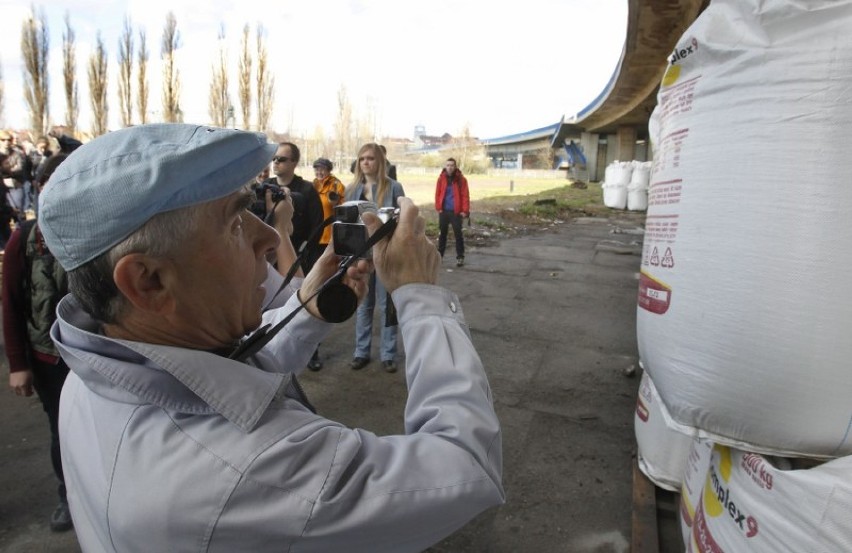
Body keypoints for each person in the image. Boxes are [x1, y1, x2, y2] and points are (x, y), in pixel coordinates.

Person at [37, 123, 503, 552]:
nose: (267, 238)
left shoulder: (91, 376)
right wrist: (420, 297)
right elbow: (465, 465)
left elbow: (213, 387)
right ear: (149, 281)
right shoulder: (250, 473)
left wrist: (306, 310)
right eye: (236, 220)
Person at [2, 153, 73, 533]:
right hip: (49, 361)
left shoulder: (101, 229)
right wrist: (18, 364)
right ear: (42, 186)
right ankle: (69, 496)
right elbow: (11, 303)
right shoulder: (25, 238)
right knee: (61, 431)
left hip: (96, 358)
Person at [345, 142, 406, 373]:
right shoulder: (351, 189)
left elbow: (402, 222)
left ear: (380, 161)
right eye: (362, 159)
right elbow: (347, 224)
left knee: (387, 305)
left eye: (370, 158)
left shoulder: (394, 187)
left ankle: (388, 354)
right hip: (361, 255)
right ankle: (361, 352)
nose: (365, 163)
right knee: (363, 304)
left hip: (386, 254)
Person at [307, 157, 346, 371]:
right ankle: (311, 350)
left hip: (329, 243)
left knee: (324, 292)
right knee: (310, 290)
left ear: (329, 170)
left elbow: (343, 209)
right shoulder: (311, 186)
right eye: (316, 168)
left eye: (322, 169)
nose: (319, 172)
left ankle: (316, 343)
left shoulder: (336, 185)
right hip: (312, 242)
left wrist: (335, 203)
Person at [264, 142, 324, 271]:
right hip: (267, 257)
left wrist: (305, 252)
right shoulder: (265, 187)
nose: (276, 162)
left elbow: (317, 226)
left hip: (297, 258)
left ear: (294, 162)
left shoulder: (307, 190)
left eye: (281, 159)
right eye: (273, 158)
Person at [435, 157, 470, 267]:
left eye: (452, 165)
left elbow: (465, 196)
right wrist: (438, 207)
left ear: (455, 167)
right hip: (444, 211)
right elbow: (437, 193)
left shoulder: (461, 180)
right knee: (442, 235)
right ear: (445, 166)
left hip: (456, 212)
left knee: (458, 235)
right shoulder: (441, 179)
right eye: (448, 165)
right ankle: (439, 257)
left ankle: (460, 257)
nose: (449, 167)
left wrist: (465, 211)